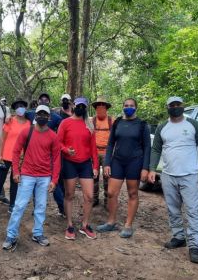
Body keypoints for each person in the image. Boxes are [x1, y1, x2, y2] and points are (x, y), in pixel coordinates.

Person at [148, 96, 198, 264]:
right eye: (172, 105)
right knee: (173, 209)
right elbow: (156, 149)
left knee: (192, 210)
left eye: (178, 104)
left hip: (189, 175)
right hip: (168, 174)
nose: (175, 107)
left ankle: (195, 245)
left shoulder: (193, 125)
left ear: (183, 106)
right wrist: (151, 169)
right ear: (167, 107)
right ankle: (178, 236)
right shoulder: (163, 127)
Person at [2, 105, 61, 250]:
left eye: (45, 114)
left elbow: (56, 159)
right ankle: (11, 235)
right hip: (27, 174)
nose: (42, 116)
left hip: (44, 176)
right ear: (35, 116)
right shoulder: (26, 132)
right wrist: (16, 171)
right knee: (19, 206)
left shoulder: (53, 136)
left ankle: (38, 233)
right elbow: (16, 152)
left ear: (49, 117)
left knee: (40, 206)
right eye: (39, 114)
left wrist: (54, 180)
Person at [96, 98, 151, 238]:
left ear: (136, 108)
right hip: (118, 162)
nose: (129, 107)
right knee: (111, 193)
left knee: (132, 193)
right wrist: (107, 163)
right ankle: (111, 221)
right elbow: (110, 144)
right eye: (126, 105)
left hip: (135, 162)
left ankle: (128, 225)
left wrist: (145, 168)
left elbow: (147, 148)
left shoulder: (142, 125)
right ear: (123, 107)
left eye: (131, 105)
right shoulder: (118, 122)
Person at [57, 97, 99, 240]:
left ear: (86, 108)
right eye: (78, 105)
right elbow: (58, 142)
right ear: (73, 106)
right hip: (70, 163)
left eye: (83, 106)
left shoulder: (89, 124)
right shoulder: (65, 122)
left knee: (89, 196)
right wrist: (66, 150)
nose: (80, 108)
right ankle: (69, 225)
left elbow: (93, 148)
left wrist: (95, 166)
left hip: (85, 164)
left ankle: (85, 225)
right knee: (69, 195)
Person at [90, 96, 113, 208]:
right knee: (93, 177)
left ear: (106, 108)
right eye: (98, 106)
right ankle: (94, 198)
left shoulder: (111, 120)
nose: (100, 108)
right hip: (93, 153)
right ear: (95, 108)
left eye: (103, 106)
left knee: (107, 178)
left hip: (107, 153)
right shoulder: (91, 121)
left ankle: (108, 201)